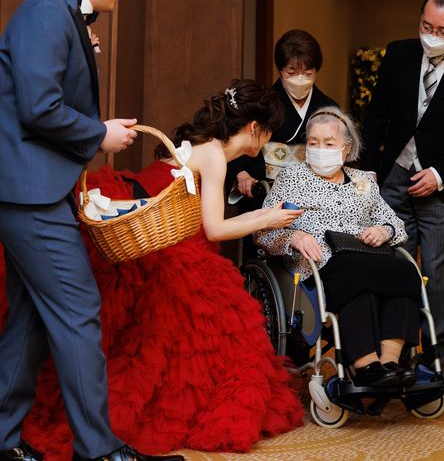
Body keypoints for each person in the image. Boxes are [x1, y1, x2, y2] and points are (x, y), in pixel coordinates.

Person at [0, 79, 305, 460]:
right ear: (256, 128)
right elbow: (215, 229)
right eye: (270, 131)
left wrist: (266, 215)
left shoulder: (199, 145)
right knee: (222, 311)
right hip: (159, 245)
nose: (269, 139)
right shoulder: (214, 156)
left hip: (141, 230)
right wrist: (268, 220)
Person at [0, 0, 182, 461]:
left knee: (31, 320)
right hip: (30, 194)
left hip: (32, 190)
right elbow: (39, 107)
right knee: (78, 312)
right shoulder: (46, 13)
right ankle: (98, 451)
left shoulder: (61, 13)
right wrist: (99, 134)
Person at [360, 0, 444, 366]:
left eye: (443, 30)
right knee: (395, 268)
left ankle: (434, 359)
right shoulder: (398, 54)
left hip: (441, 191)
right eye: (426, 26)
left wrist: (439, 173)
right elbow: (376, 116)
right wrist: (368, 170)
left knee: (435, 275)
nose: (432, 35)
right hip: (393, 180)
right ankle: (394, 355)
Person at [255, 107, 421, 388]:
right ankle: (365, 365)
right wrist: (294, 237)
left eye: (329, 143)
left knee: (405, 271)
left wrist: (384, 230)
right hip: (320, 264)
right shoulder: (292, 177)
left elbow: (395, 224)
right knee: (353, 273)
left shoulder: (363, 181)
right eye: (313, 142)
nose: (320, 149)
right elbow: (262, 230)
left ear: (346, 148)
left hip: (365, 256)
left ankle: (390, 362)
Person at [228, 29, 337, 198]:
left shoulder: (328, 107)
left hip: (312, 190)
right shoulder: (261, 103)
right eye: (291, 73)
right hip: (264, 186)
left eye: (308, 73)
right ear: (280, 70)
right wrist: (241, 173)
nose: (300, 78)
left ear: (316, 71)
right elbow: (237, 141)